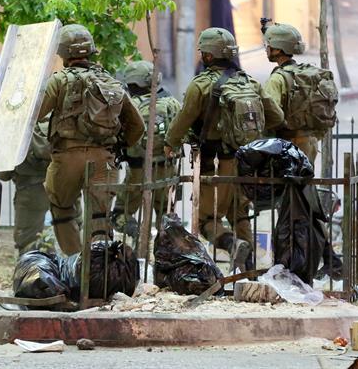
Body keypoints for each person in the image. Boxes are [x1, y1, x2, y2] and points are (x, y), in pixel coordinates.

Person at [164, 27, 284, 272]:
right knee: (239, 216)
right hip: (246, 161)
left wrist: (170, 143)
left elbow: (183, 120)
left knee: (208, 219)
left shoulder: (201, 86)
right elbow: (276, 116)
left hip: (214, 163)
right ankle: (250, 274)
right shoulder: (249, 81)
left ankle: (232, 245)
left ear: (208, 56)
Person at [38, 24, 145, 256]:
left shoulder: (58, 81)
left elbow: (36, 114)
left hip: (67, 157)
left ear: (64, 53)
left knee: (62, 209)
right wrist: (118, 147)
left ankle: (77, 266)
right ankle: (99, 272)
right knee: (99, 215)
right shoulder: (109, 82)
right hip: (104, 158)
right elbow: (138, 126)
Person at [263, 22, 342, 279]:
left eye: (270, 45)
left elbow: (270, 113)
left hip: (289, 148)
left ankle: (292, 264)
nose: (267, 48)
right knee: (304, 203)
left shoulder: (278, 79)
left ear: (278, 49)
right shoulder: (305, 74)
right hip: (309, 145)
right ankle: (331, 259)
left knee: (293, 208)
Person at [112, 60, 181, 237]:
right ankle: (164, 249)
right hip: (167, 169)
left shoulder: (131, 106)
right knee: (166, 218)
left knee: (120, 214)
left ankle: (138, 236)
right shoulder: (172, 102)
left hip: (137, 170)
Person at [0, 109, 55, 255]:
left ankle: (34, 274)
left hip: (31, 187)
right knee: (67, 232)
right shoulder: (54, 108)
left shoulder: (13, 108)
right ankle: (63, 272)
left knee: (28, 240)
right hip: (62, 182)